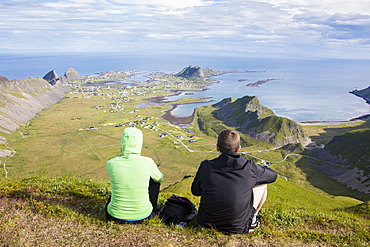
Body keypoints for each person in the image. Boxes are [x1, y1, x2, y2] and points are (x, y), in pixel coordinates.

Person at [191, 129, 277, 234]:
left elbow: (195, 191)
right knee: (262, 184)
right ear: (238, 149)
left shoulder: (206, 166)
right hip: (238, 227)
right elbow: (273, 176)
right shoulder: (249, 167)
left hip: (206, 223)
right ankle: (253, 219)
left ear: (217, 147)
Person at [106, 127, 164, 224]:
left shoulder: (111, 163)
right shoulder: (147, 161)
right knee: (154, 181)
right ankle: (153, 210)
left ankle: (120, 207)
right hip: (143, 216)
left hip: (114, 217)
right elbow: (159, 178)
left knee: (119, 182)